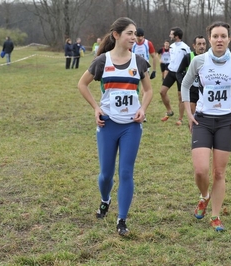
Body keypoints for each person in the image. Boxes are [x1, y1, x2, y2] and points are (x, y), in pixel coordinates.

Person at [77, 17, 153, 236]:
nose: (133, 37)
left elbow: (148, 91)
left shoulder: (139, 62)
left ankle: (122, 219)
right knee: (106, 175)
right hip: (108, 123)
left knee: (126, 172)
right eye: (129, 33)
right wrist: (95, 107)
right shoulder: (102, 61)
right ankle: (105, 199)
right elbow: (82, 84)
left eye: (135, 33)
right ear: (116, 35)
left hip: (132, 125)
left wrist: (143, 109)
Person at [181, 21, 231, 231]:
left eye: (223, 36)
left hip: (225, 122)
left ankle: (215, 216)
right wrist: (188, 111)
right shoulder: (199, 61)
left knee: (219, 173)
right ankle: (204, 196)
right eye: (215, 36)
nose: (219, 40)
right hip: (202, 120)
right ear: (209, 39)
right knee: (201, 170)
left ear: (229, 39)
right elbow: (185, 85)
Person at [160, 27, 191, 125]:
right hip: (171, 72)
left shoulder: (185, 47)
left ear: (176, 36)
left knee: (180, 97)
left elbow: (190, 60)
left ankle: (180, 119)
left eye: (171, 34)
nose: (170, 36)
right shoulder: (172, 46)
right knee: (162, 92)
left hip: (181, 74)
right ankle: (169, 111)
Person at [176, 35, 207, 114]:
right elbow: (179, 72)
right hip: (192, 90)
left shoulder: (209, 57)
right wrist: (184, 83)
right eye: (199, 44)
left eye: (204, 44)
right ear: (194, 46)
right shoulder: (188, 57)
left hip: (205, 90)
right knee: (193, 116)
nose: (202, 46)